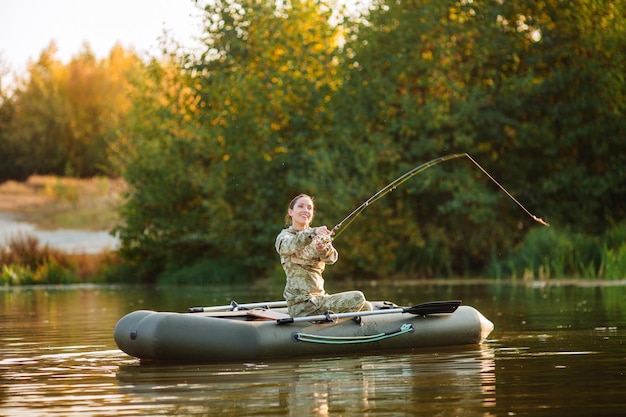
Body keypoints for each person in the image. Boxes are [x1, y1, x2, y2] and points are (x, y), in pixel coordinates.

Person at [275, 193, 373, 317]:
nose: (306, 210)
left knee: (366, 306)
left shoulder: (318, 236)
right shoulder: (285, 236)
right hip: (302, 305)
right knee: (358, 297)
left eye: (309, 208)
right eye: (301, 206)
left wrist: (322, 248)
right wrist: (312, 232)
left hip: (319, 300)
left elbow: (332, 258)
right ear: (290, 212)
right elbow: (289, 245)